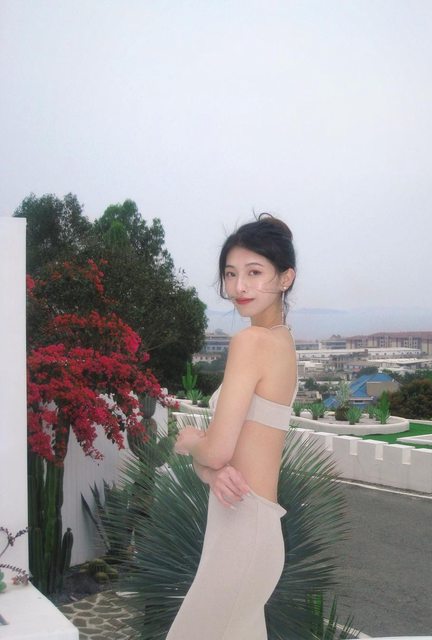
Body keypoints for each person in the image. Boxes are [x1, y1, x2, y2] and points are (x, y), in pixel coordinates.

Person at [166, 214, 297, 640]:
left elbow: (219, 449)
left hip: (242, 535)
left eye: (254, 272)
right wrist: (209, 471)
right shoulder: (283, 341)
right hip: (246, 528)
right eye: (230, 273)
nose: (239, 286)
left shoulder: (250, 342)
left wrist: (189, 441)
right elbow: (230, 457)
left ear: (286, 278)